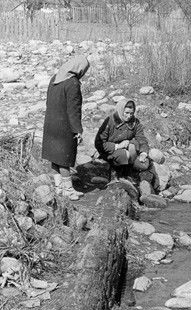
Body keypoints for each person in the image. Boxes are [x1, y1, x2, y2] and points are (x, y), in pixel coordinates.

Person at [42, 55, 90, 201]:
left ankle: (58, 188)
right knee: (64, 158)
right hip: (64, 127)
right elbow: (74, 109)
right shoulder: (72, 83)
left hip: (51, 124)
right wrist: (78, 130)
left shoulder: (55, 78)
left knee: (54, 157)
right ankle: (68, 190)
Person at [95, 99, 159, 193]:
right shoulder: (110, 121)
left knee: (141, 161)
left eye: (131, 113)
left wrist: (144, 153)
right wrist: (117, 146)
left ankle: (129, 172)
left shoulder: (135, 122)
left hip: (126, 149)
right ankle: (117, 174)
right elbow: (99, 143)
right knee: (124, 155)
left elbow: (141, 139)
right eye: (127, 113)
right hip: (110, 151)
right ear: (121, 110)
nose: (129, 116)